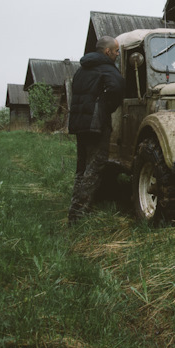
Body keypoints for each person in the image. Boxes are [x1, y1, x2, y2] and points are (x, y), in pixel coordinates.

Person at [67, 36, 124, 225]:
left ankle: (76, 206)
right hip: (96, 124)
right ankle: (78, 213)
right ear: (107, 51)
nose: (117, 54)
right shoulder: (106, 68)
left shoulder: (82, 70)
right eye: (116, 51)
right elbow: (117, 88)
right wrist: (106, 108)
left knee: (82, 167)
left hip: (79, 123)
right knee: (95, 165)